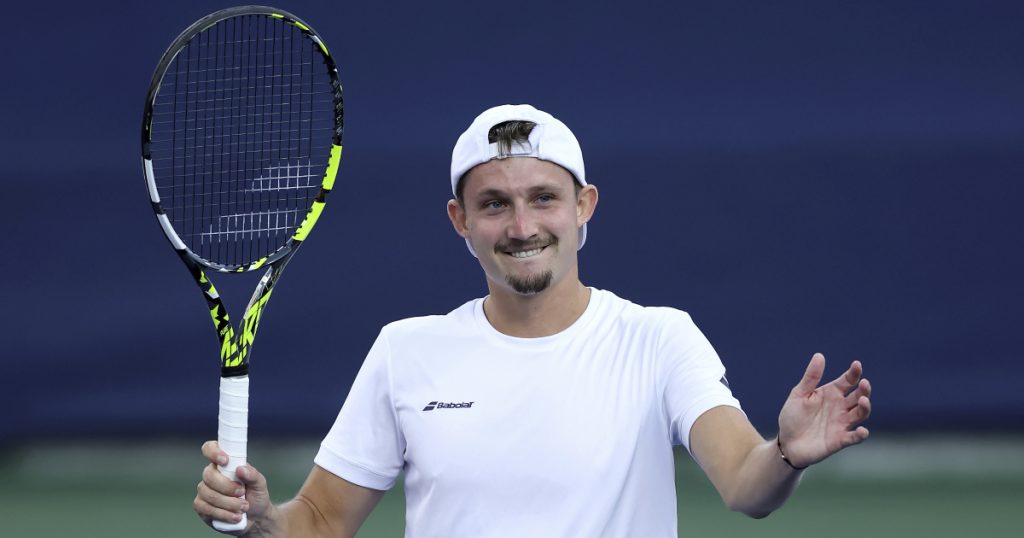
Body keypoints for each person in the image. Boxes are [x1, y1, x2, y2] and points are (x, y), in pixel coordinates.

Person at [193, 104, 872, 537]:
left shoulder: (658, 339)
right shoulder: (405, 351)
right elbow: (318, 521)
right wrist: (263, 521)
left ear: (584, 206)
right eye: (494, 204)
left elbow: (747, 484)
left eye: (543, 198)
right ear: (460, 220)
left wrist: (785, 453)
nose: (522, 227)